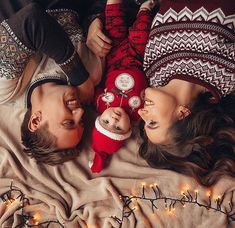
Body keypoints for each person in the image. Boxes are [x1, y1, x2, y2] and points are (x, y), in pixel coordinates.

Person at [137, 0, 235, 186]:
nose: (141, 113)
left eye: (144, 122)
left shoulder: (154, 73)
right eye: (153, 122)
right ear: (182, 113)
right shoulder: (225, 76)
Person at [0, 0, 104, 165]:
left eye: (69, 122)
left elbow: (31, 19)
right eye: (81, 122)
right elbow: (98, 7)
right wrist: (94, 20)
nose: (81, 113)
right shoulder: (93, 72)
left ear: (35, 121)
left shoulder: (6, 88)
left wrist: (80, 77)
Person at [89, 0, 159, 173]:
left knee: (113, 26)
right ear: (129, 130)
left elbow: (91, 91)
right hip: (137, 57)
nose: (114, 119)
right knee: (141, 36)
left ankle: (114, 3)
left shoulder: (100, 104)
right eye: (118, 128)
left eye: (105, 122)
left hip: (115, 57)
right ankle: (145, 8)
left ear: (99, 117)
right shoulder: (137, 113)